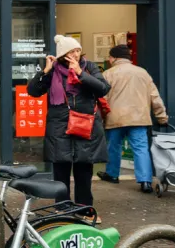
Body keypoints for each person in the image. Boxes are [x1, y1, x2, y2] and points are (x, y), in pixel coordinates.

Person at [28, 35, 110, 215]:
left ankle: (84, 210)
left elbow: (103, 88)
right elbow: (33, 91)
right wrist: (45, 71)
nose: (76, 54)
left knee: (84, 170)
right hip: (59, 126)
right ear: (63, 54)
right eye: (72, 51)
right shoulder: (53, 71)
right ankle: (63, 208)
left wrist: (80, 73)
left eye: (78, 50)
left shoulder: (89, 67)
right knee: (61, 171)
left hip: (84, 124)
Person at [97, 45, 168, 193]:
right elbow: (155, 97)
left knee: (113, 146)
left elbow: (102, 99)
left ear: (114, 58)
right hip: (139, 118)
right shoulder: (143, 73)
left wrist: (100, 118)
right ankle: (145, 181)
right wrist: (162, 117)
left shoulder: (108, 74)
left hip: (115, 118)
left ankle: (112, 174)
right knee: (141, 149)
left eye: (110, 57)